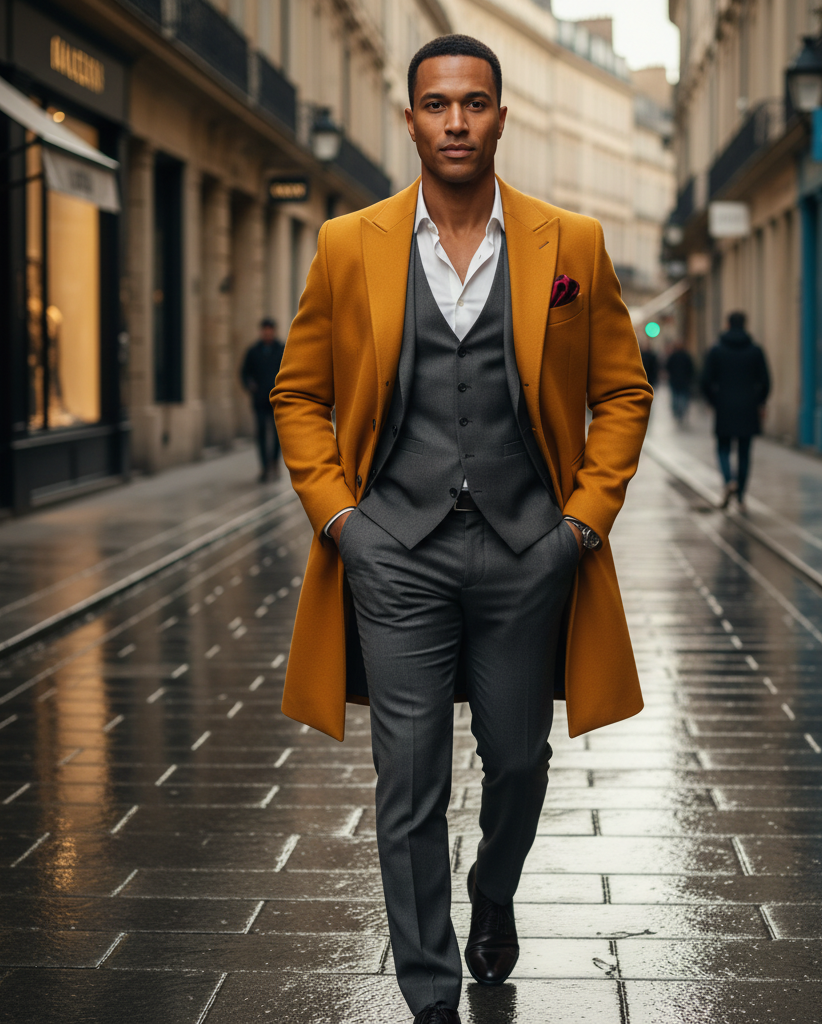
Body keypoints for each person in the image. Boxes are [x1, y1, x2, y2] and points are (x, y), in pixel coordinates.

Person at [271, 35, 652, 1024]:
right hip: (394, 549)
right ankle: (431, 995)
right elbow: (298, 395)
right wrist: (342, 521)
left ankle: (492, 890)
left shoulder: (569, 244)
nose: (454, 121)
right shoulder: (349, 244)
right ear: (409, 120)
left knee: (520, 760)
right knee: (409, 779)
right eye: (436, 104)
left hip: (530, 550)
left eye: (473, 103)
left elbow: (620, 389)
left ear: (498, 118)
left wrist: (581, 525)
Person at [700, 311, 771, 511]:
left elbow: (705, 381)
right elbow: (766, 382)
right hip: (748, 408)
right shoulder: (755, 350)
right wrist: (759, 401)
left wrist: (714, 401)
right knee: (744, 452)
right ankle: (740, 497)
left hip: (724, 407)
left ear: (728, 324)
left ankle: (729, 480)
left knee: (723, 448)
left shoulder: (717, 350)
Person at [240, 318, 285, 481]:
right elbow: (245, 373)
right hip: (259, 399)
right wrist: (250, 385)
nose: (267, 332)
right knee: (260, 433)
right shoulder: (253, 351)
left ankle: (274, 462)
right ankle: (265, 467)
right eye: (264, 330)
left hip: (277, 400)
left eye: (269, 329)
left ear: (273, 331)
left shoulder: (282, 350)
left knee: (277, 434)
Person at [665, 340, 695, 424]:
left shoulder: (673, 356)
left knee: (676, 396)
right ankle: (681, 411)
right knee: (682, 397)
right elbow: (691, 369)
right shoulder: (686, 356)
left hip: (675, 380)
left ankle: (677, 411)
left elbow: (667, 366)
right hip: (683, 381)